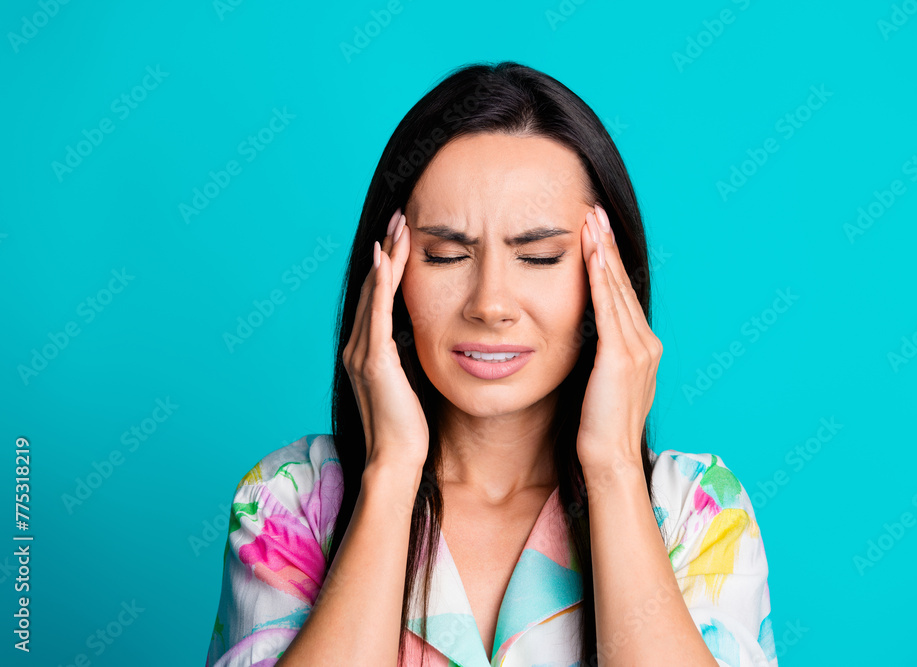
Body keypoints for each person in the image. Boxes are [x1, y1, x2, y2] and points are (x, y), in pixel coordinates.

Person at [204, 61, 778, 667]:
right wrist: (392, 474)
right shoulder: (293, 499)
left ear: (607, 275)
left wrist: (612, 470)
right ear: (390, 273)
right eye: (448, 255)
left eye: (539, 256)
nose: (490, 305)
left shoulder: (694, 511)